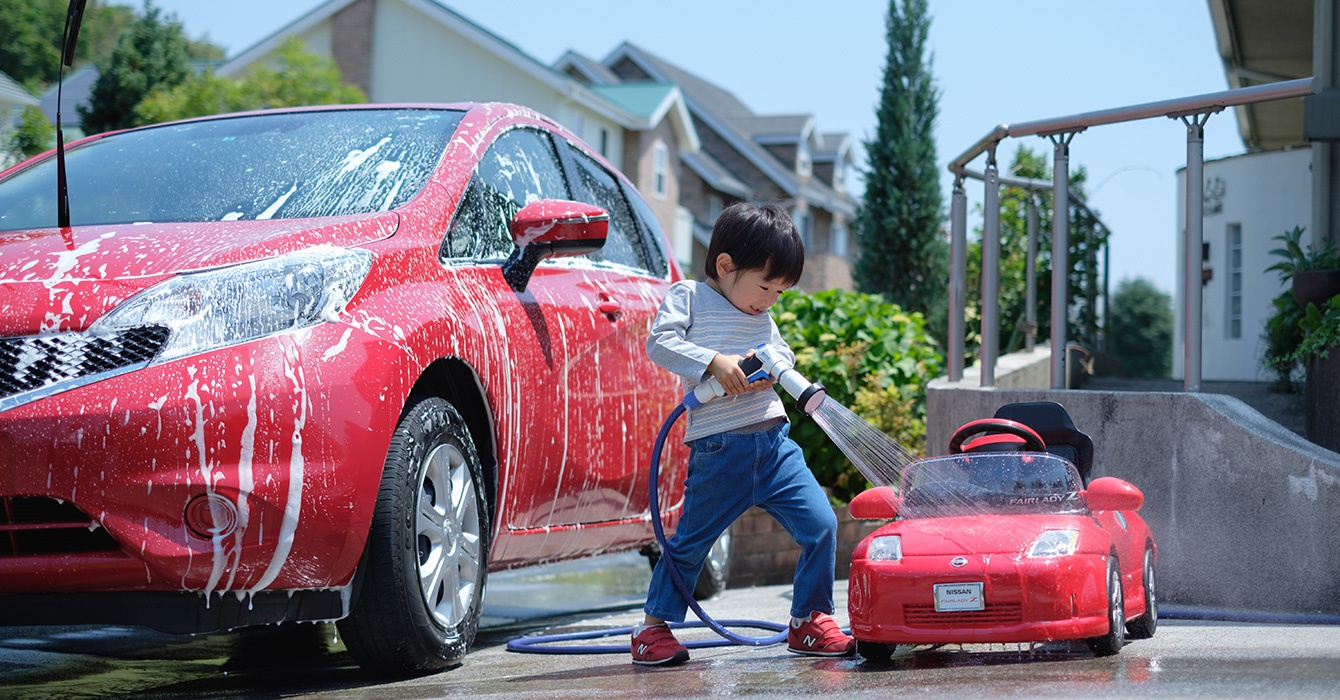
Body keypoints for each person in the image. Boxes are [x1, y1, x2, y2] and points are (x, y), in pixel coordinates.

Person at [631, 202, 855, 667]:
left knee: (822, 525)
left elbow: (782, 352)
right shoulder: (689, 296)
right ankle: (653, 630)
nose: (770, 298)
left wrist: (778, 370)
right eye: (765, 285)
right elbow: (660, 342)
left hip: (775, 446)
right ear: (726, 265)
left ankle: (809, 620)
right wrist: (714, 362)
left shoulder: (762, 317)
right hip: (720, 449)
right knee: (691, 543)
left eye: (780, 291)